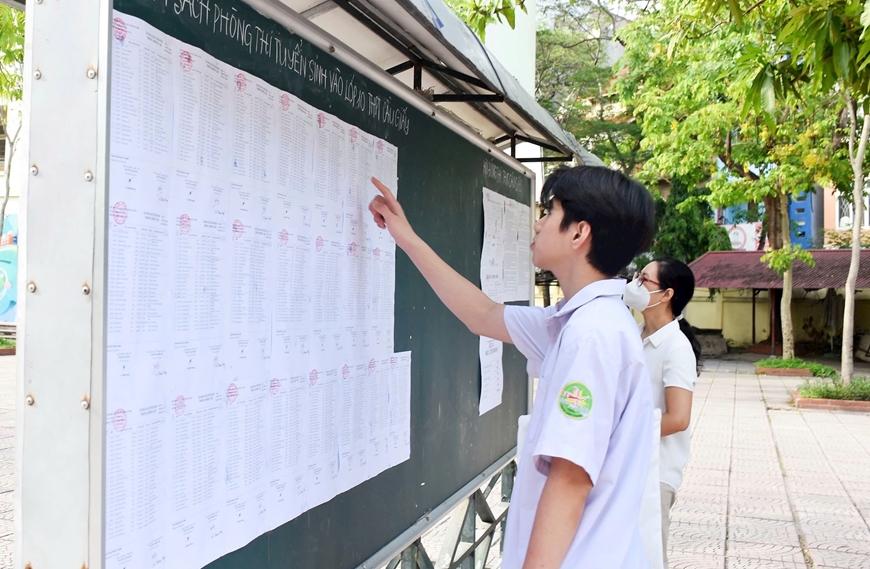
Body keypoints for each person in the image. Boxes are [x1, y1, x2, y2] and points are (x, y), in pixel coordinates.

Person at [369, 165, 656, 568]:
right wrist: (408, 238)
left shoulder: (591, 336)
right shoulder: (581, 322)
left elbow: (570, 479)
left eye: (550, 212)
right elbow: (483, 315)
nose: (538, 224)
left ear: (578, 233)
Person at [623, 258, 701, 569]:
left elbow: (678, 418)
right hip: (623, 463)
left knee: (646, 558)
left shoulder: (676, 348)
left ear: (667, 294)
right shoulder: (632, 335)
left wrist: (623, 430)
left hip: (654, 474)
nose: (635, 284)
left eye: (644, 279)